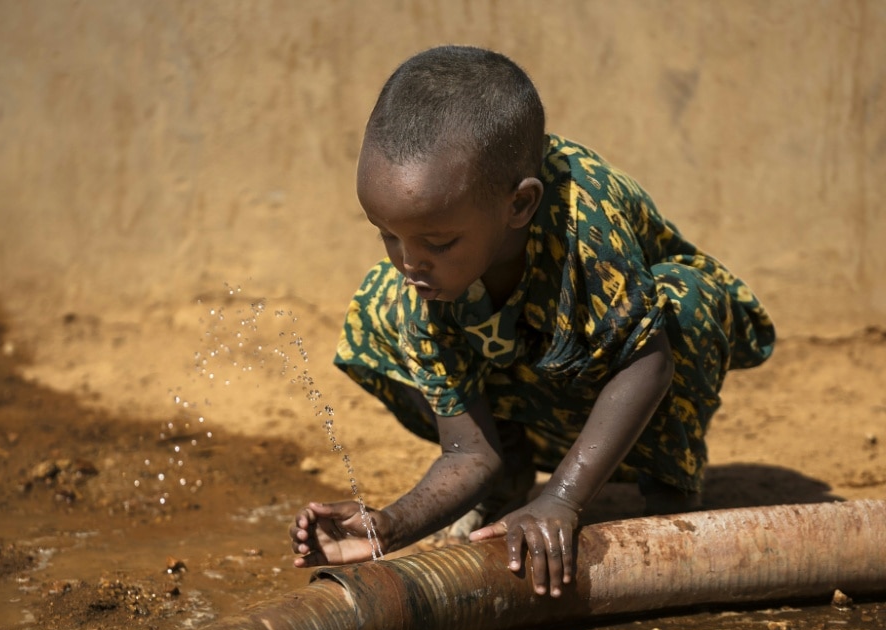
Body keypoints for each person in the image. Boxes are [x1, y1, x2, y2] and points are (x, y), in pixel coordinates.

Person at [289, 45, 774, 598]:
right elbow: (467, 451)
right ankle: (513, 473)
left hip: (625, 377)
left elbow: (649, 362)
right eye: (387, 234)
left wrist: (564, 497)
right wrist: (389, 526)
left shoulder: (584, 223)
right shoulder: (425, 283)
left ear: (519, 205)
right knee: (380, 301)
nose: (409, 260)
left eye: (438, 242)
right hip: (544, 377)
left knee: (685, 302)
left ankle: (668, 490)